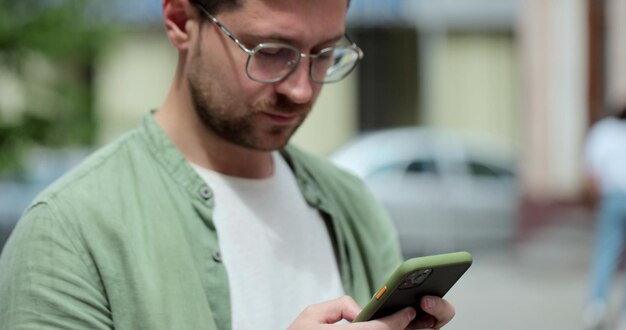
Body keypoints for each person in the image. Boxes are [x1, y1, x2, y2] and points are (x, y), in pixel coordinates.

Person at [0, 0, 457, 329]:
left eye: (323, 54)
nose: (301, 89)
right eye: (271, 52)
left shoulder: (353, 205)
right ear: (181, 20)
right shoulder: (69, 230)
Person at [583, 102, 626, 330]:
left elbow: (591, 171)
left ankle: (596, 307)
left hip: (612, 198)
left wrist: (596, 198)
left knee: (606, 254)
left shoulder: (602, 132)